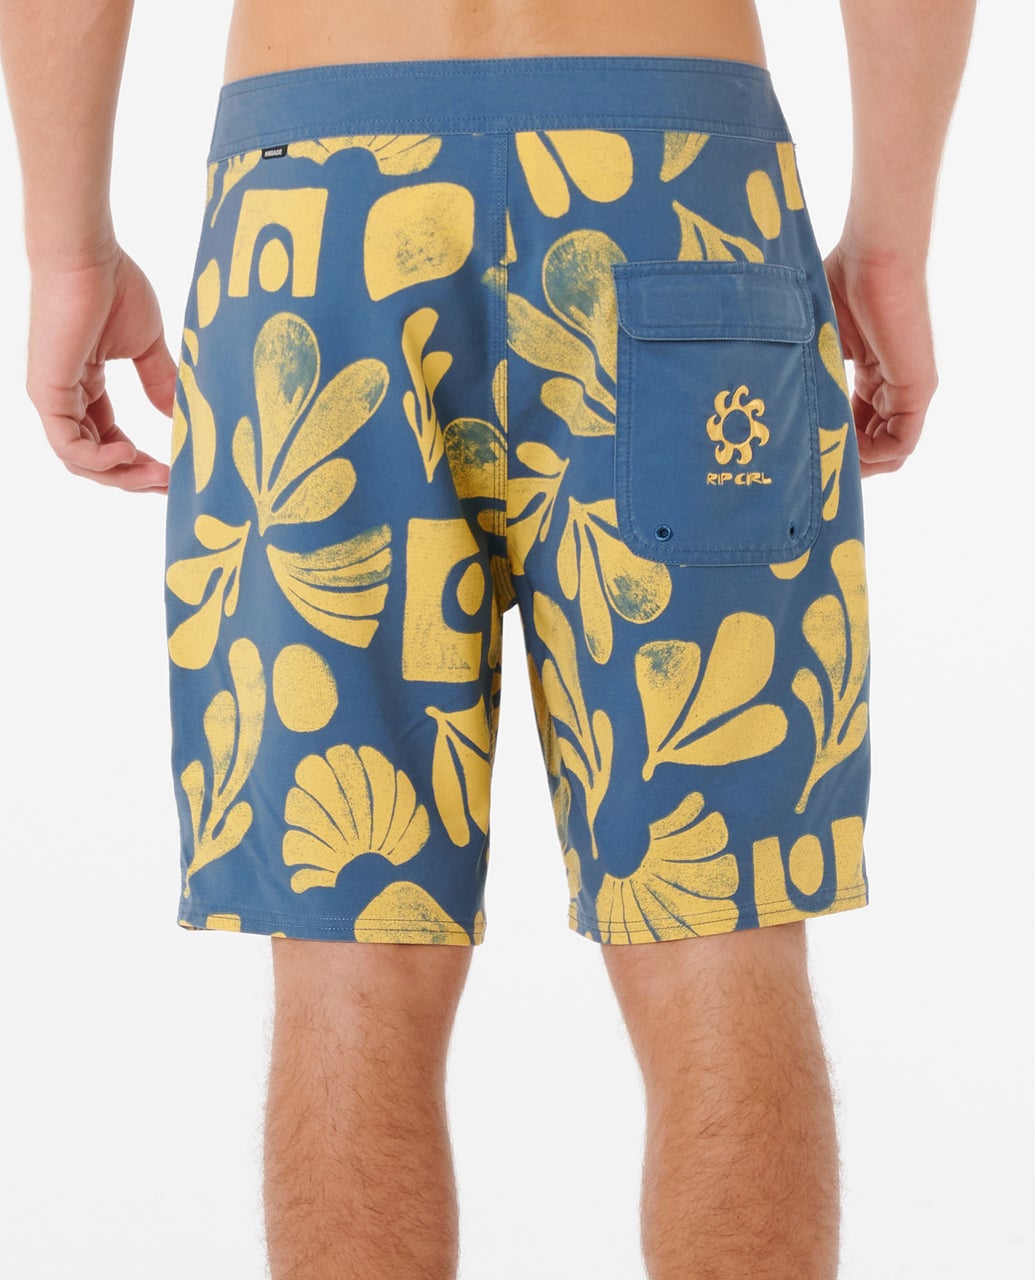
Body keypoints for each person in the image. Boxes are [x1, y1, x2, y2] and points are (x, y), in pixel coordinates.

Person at [0, 1, 975, 1276]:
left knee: (351, 947)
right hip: (674, 187)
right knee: (719, 929)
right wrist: (890, 245)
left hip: (321, 210)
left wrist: (68, 249)